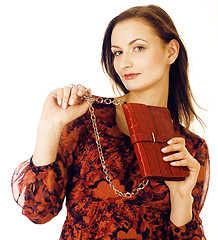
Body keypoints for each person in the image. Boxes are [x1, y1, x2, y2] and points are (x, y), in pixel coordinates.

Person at [11, 5, 210, 240]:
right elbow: (38, 211)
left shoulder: (190, 148)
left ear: (171, 52)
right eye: (117, 52)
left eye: (138, 48)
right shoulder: (86, 116)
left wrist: (180, 197)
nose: (125, 63)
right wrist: (49, 124)